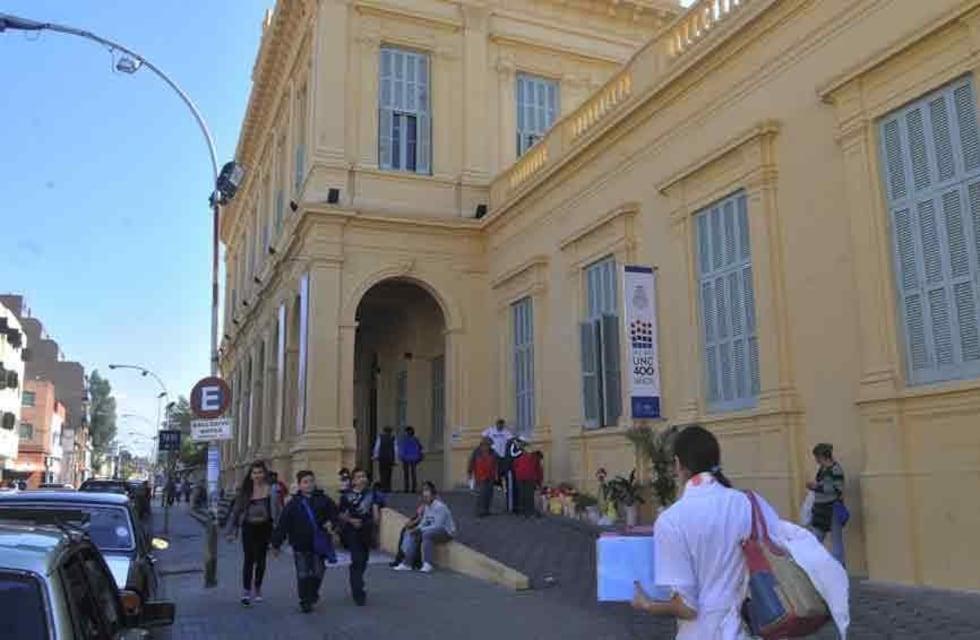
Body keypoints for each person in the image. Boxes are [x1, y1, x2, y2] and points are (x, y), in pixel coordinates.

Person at [630, 424, 755, 639]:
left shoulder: (671, 521)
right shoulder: (744, 503)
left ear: (678, 464)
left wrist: (647, 605)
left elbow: (687, 608)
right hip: (739, 629)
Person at [271, 470, 340, 613]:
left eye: (311, 481)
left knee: (318, 571)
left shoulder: (324, 500)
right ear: (299, 485)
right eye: (305, 482)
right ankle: (304, 600)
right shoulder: (293, 504)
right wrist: (276, 544)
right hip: (300, 544)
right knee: (303, 573)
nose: (309, 484)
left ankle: (313, 593)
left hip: (319, 544)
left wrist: (331, 523)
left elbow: (335, 514)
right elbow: (283, 525)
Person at [225, 461, 276, 606]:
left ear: (264, 474)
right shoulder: (245, 491)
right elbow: (236, 512)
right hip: (248, 527)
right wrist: (231, 532)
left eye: (260, 472)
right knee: (249, 559)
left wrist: (278, 533)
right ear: (251, 475)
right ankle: (246, 591)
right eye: (254, 473)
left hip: (265, 528)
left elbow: (277, 511)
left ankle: (258, 588)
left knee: (261, 560)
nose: (257, 475)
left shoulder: (271, 490)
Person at [339, 468, 385, 606]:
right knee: (357, 559)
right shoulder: (346, 496)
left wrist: (376, 524)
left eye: (364, 476)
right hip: (352, 531)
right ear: (353, 481)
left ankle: (356, 577)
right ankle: (358, 592)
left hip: (367, 530)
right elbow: (340, 514)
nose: (362, 479)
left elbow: (376, 511)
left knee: (364, 560)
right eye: (358, 477)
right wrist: (351, 520)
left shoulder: (372, 494)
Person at [393, 481, 456, 573]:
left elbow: (437, 525)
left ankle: (428, 564)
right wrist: (417, 529)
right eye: (424, 497)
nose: (425, 498)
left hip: (446, 532)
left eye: (427, 496)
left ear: (433, 496)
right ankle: (407, 563)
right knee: (415, 534)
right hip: (432, 530)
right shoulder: (427, 507)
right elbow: (424, 522)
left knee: (427, 534)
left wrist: (421, 530)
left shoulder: (440, 507)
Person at [807, 443, 846, 567]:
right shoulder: (822, 470)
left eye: (817, 457)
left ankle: (839, 569)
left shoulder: (835, 469)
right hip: (820, 509)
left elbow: (838, 488)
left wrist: (817, 487)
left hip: (832, 508)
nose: (816, 460)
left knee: (836, 542)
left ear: (822, 456)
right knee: (815, 539)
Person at [388, 496, 425, 569]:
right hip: (419, 525)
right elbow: (416, 517)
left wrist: (414, 523)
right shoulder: (422, 506)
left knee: (414, 534)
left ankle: (414, 561)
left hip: (425, 526)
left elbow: (422, 519)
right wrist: (410, 522)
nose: (419, 499)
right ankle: (399, 558)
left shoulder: (430, 507)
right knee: (404, 530)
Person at [467, 437, 498, 517]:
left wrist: (496, 475)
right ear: (482, 445)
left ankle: (486, 510)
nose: (488, 447)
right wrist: (470, 472)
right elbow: (471, 462)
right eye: (487, 445)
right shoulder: (476, 452)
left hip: (490, 476)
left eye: (489, 445)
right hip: (480, 476)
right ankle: (479, 511)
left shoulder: (493, 453)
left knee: (489, 494)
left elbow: (496, 464)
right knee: (480, 494)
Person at [513, 443, 543, 518]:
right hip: (529, 478)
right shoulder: (535, 459)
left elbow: (515, 465)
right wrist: (539, 483)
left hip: (520, 477)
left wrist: (517, 474)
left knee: (522, 495)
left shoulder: (521, 457)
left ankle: (522, 512)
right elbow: (538, 472)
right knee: (529, 495)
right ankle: (529, 512)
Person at [501, 434, 527, 513]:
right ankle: (511, 507)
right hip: (509, 470)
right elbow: (513, 454)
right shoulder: (512, 445)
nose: (523, 445)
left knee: (516, 488)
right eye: (523, 444)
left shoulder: (515, 445)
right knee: (510, 488)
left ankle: (516, 506)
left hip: (515, 470)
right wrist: (521, 451)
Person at [373, 426, 399, 492]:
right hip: (390, 458)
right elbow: (396, 449)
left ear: (384, 431)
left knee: (382, 472)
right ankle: (388, 487)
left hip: (382, 457)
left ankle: (383, 486)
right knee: (389, 473)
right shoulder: (393, 438)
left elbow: (377, 447)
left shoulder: (380, 437)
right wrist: (396, 459)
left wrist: (375, 456)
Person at [398, 426, 423, 494]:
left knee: (407, 474)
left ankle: (407, 488)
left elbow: (402, 448)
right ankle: (413, 488)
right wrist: (418, 456)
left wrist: (401, 456)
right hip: (413, 458)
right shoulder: (415, 439)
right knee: (413, 474)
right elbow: (420, 447)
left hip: (406, 458)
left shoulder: (404, 439)